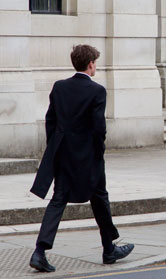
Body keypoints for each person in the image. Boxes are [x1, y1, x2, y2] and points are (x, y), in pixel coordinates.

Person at [29, 45, 134, 272]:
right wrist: (99, 151)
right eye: (95, 62)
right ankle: (108, 249)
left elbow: (51, 121)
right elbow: (98, 128)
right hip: (88, 156)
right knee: (100, 197)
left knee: (60, 199)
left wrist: (55, 146)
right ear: (90, 64)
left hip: (64, 154)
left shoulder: (59, 87)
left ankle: (40, 251)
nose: (95, 65)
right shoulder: (97, 91)